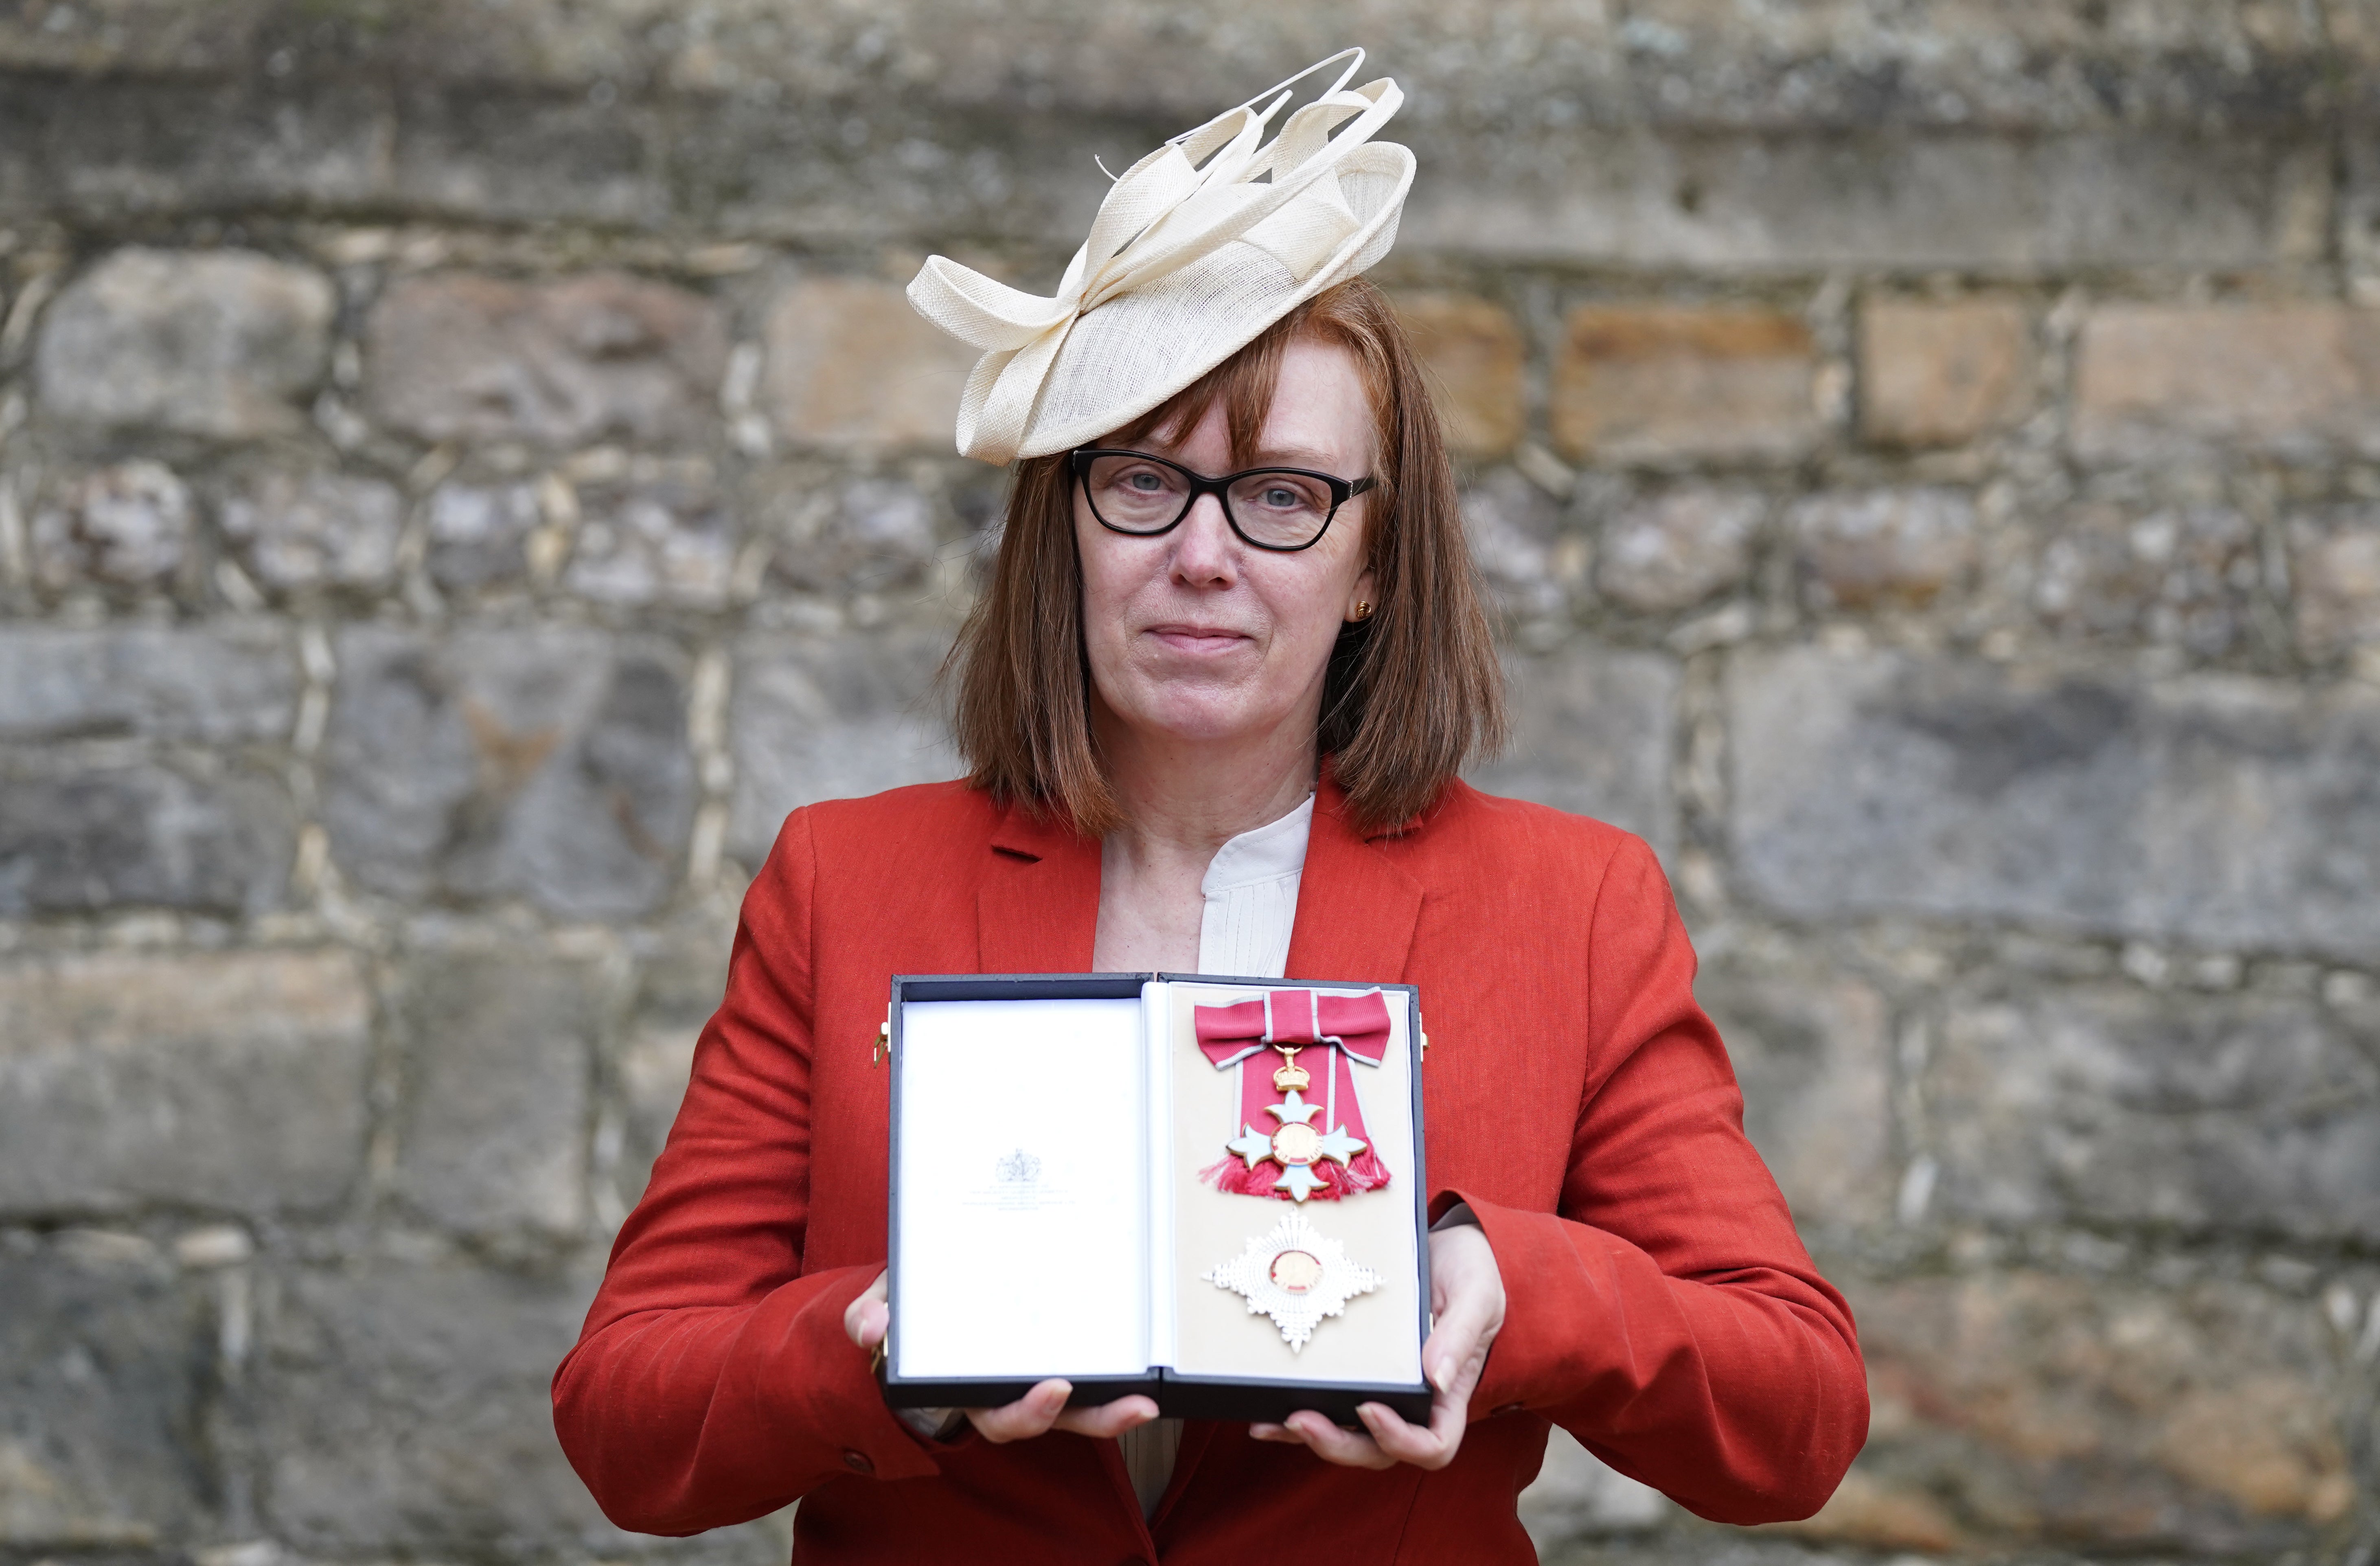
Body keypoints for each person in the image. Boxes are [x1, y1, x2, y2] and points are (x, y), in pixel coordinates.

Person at [553, 51, 1866, 1564]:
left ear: (1373, 564)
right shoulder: (843, 881)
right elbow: (625, 1419)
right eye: (1144, 484)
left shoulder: (1570, 907)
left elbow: (1799, 1415)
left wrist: (1517, 1288)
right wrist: (875, 1352)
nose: (1203, 555)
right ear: (1069, 528)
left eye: (1283, 496)